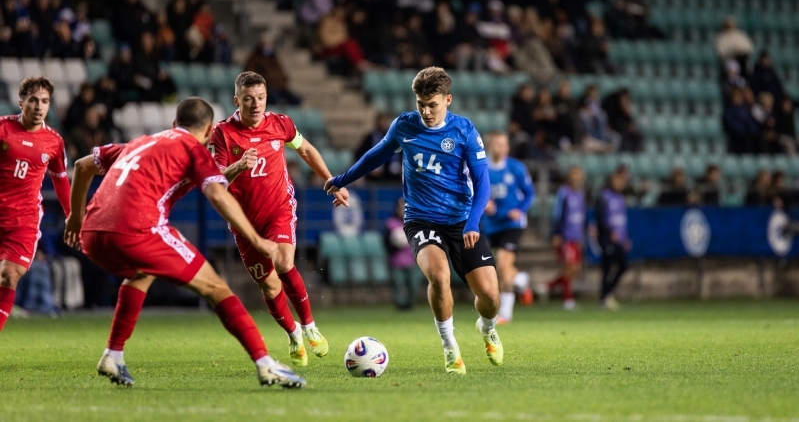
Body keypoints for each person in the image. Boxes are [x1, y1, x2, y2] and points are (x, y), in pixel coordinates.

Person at [63, 97, 305, 389]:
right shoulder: (194, 148)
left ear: (175, 124)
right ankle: (266, 365)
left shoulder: (139, 142)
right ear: (209, 130)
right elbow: (217, 194)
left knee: (142, 273)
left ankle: (113, 354)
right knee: (216, 288)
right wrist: (256, 239)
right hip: (137, 229)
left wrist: (75, 218)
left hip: (92, 232)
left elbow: (82, 165)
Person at [325, 67, 502, 375]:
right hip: (421, 219)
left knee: (489, 296)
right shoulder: (405, 125)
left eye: (432, 104)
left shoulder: (464, 131)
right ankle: (450, 347)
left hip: (461, 221)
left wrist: (473, 222)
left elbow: (482, 182)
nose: (426, 111)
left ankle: (487, 327)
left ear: (448, 100)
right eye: (421, 103)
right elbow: (376, 155)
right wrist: (343, 179)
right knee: (438, 275)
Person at [209, 71, 347, 367]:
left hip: (279, 209)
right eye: (248, 99)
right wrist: (237, 166)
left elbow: (307, 150)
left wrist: (331, 180)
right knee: (270, 286)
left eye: (260, 98)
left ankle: (310, 326)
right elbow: (214, 178)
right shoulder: (222, 133)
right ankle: (294, 334)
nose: (256, 105)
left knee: (285, 262)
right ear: (237, 100)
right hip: (244, 222)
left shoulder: (281, 123)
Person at [0, 76, 71, 332]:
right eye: (33, 100)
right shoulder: (2, 129)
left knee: (9, 274)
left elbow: (61, 180)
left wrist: (71, 215)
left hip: (24, 220)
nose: (39, 107)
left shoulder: (54, 141)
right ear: (21, 102)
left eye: (45, 101)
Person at [482, 131, 535, 324]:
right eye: (498, 144)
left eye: (505, 144)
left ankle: (505, 314)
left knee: (503, 266)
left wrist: (520, 210)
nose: (502, 148)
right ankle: (521, 279)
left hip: (512, 223)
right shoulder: (481, 167)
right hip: (491, 225)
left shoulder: (516, 168)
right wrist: (484, 203)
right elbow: (472, 191)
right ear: (490, 145)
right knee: (501, 268)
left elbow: (529, 193)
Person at [539, 166, 585, 310]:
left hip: (576, 236)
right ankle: (567, 299)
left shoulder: (581, 195)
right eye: (574, 175)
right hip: (565, 236)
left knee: (575, 268)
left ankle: (547, 286)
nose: (576, 179)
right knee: (569, 266)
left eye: (578, 176)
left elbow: (582, 216)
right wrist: (556, 233)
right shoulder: (563, 193)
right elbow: (557, 214)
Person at [596, 170, 631, 311]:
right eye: (618, 181)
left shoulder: (621, 197)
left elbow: (622, 220)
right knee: (607, 268)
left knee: (623, 266)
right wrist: (609, 232)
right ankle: (605, 297)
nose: (620, 184)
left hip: (619, 239)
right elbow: (600, 217)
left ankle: (608, 293)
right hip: (607, 238)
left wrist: (625, 237)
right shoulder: (604, 197)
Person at [385, 197, 424, 311]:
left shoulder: (414, 223)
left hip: (412, 261)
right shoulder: (390, 224)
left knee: (413, 285)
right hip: (396, 261)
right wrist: (395, 245)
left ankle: (410, 305)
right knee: (398, 285)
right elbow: (386, 243)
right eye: (401, 207)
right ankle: (400, 305)